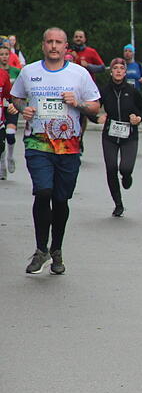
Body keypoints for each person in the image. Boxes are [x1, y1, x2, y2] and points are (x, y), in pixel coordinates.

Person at [12, 27, 101, 275]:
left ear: (65, 47)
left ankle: (56, 249)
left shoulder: (79, 74)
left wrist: (78, 103)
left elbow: (95, 107)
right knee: (43, 191)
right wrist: (23, 109)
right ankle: (41, 249)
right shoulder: (29, 72)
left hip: (68, 147)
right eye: (49, 42)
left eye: (58, 42)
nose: (53, 46)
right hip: (38, 144)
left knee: (61, 199)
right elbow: (16, 98)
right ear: (43, 45)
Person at [93, 58, 142, 217]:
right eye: (115, 68)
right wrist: (97, 118)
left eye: (121, 68)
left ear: (125, 72)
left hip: (129, 135)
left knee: (125, 168)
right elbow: (91, 109)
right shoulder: (104, 91)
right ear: (111, 71)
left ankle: (127, 175)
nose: (118, 71)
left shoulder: (132, 91)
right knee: (111, 168)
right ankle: (118, 204)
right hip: (109, 135)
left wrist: (138, 119)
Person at [0, 44, 20, 177]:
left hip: (11, 106)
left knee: (10, 134)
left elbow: (16, 92)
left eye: (6, 54)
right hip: (2, 108)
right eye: (1, 54)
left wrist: (17, 104)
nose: (4, 57)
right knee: (1, 141)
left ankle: (10, 157)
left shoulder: (15, 72)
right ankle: (2, 165)